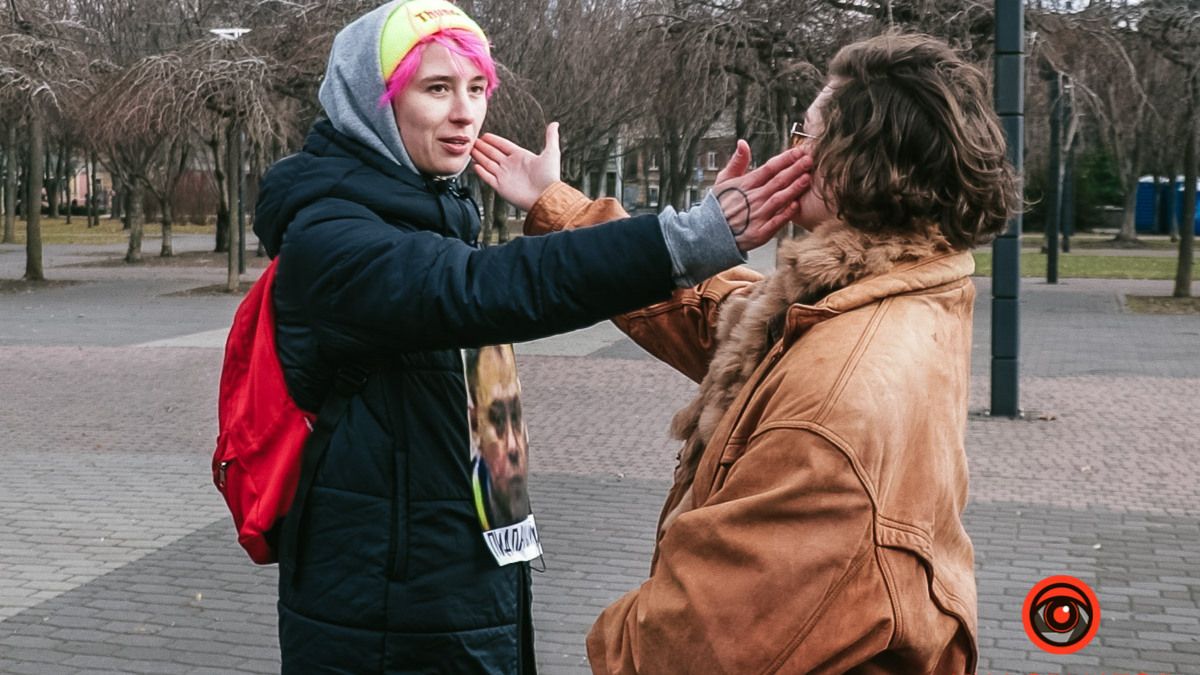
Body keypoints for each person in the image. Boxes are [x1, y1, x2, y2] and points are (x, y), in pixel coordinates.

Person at [249, 0, 812, 672]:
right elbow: (486, 288)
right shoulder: (333, 237)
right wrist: (686, 239)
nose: (465, 112)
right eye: (436, 89)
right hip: (385, 613)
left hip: (452, 576)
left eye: (477, 88)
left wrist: (555, 200)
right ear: (373, 104)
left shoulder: (429, 211)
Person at [473, 31, 1019, 674]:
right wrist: (563, 206)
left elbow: (694, 645)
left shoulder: (835, 401)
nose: (789, 151)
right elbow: (726, 319)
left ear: (858, 164)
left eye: (806, 137)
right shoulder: (899, 284)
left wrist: (604, 639)